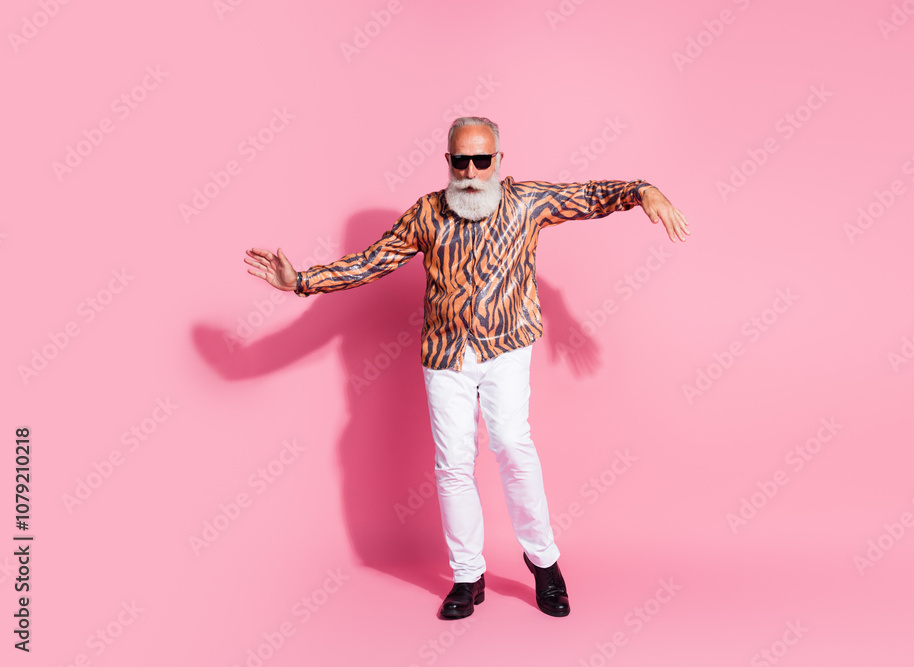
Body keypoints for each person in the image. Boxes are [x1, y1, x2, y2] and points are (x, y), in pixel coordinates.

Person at [245, 116, 689, 620]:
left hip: (507, 346)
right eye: (462, 161)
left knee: (513, 446)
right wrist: (301, 281)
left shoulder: (526, 203)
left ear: (498, 160)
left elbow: (586, 196)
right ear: (449, 162)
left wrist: (641, 191)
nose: (472, 172)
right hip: (446, 355)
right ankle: (467, 575)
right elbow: (373, 260)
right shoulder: (427, 214)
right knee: (453, 462)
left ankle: (544, 563)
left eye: (482, 160)